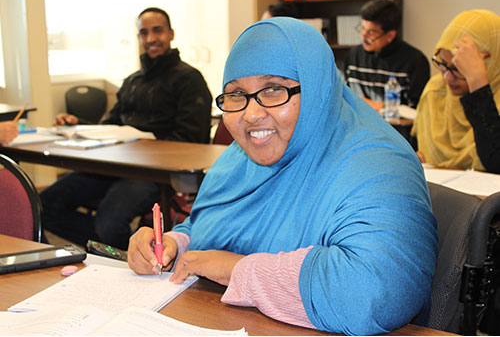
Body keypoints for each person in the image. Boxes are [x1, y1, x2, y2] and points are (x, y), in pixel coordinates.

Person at [128, 17, 438, 335]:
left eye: (274, 90)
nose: (250, 114)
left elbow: (374, 294)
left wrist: (237, 269)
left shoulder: (380, 166)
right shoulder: (239, 159)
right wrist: (175, 244)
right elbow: (212, 223)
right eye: (235, 94)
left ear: (317, 87)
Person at [40, 7, 212, 250]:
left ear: (171, 34)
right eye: (143, 33)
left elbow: (192, 139)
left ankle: (120, 248)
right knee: (44, 205)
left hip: (156, 174)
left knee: (109, 224)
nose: (151, 38)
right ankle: (118, 250)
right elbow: (110, 127)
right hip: (113, 167)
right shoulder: (133, 81)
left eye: (158, 31)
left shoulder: (189, 80)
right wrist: (78, 125)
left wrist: (142, 145)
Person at [412, 10, 500, 174]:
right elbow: (417, 146)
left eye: (458, 68)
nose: (447, 78)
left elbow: (495, 162)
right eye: (443, 64)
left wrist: (478, 84)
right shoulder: (436, 90)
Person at [343, 0, 429, 110]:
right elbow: (344, 97)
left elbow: (418, 110)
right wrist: (375, 106)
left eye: (371, 32)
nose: (364, 35)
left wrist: (381, 107)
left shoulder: (415, 61)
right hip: (357, 126)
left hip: (395, 127)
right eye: (362, 28)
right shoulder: (353, 56)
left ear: (390, 36)